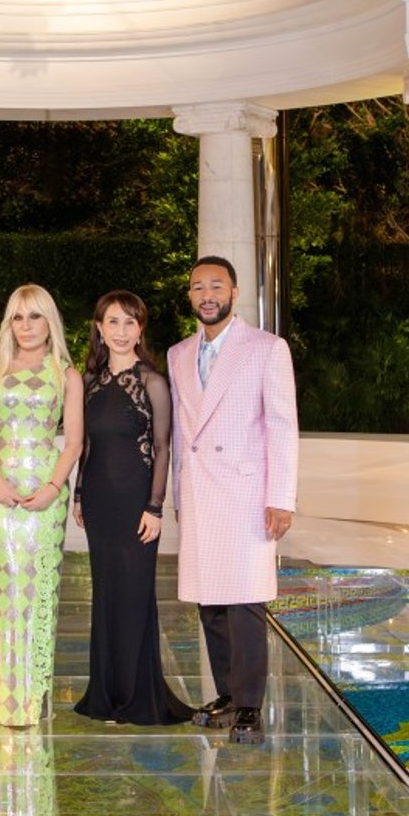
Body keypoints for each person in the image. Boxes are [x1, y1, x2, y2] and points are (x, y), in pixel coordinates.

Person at [167, 256, 298, 744]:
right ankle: (225, 693)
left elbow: (283, 425)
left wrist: (281, 497)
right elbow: (183, 431)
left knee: (244, 601)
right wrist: (180, 490)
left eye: (215, 286)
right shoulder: (179, 354)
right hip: (200, 490)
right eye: (198, 287)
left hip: (246, 493)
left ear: (234, 292)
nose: (207, 295)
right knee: (209, 600)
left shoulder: (266, 349)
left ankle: (249, 706)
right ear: (190, 296)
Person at [72, 290, 193, 725]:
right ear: (99, 328)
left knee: (135, 595)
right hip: (100, 503)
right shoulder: (87, 383)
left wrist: (155, 507)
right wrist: (79, 494)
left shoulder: (153, 382)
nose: (121, 331)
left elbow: (163, 447)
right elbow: (85, 445)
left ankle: (139, 697)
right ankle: (106, 694)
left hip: (137, 503)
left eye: (130, 322)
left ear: (141, 328)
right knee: (106, 594)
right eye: (113, 322)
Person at [0, 284, 84, 727]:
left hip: (46, 492)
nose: (26, 327)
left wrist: (52, 487)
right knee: (7, 594)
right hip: (2, 493)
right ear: (9, 324)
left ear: (49, 322)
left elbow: (74, 440)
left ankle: (36, 694)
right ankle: (7, 701)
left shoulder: (66, 373)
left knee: (40, 589)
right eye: (18, 318)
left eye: (34, 317)